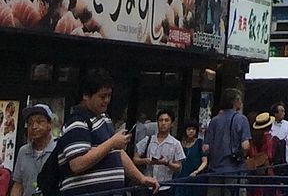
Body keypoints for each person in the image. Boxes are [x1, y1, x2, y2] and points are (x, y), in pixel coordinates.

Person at [60, 68, 160, 196]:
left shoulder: (104, 119)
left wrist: (141, 178)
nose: (106, 100)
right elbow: (77, 164)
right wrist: (111, 143)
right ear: (86, 95)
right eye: (102, 96)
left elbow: (118, 153)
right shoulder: (77, 123)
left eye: (109, 96)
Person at [203, 89, 251, 191]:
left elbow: (205, 148)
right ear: (235, 101)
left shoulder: (214, 121)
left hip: (214, 169)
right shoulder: (242, 119)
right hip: (235, 169)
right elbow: (245, 145)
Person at [10, 104, 56, 196]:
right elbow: (18, 185)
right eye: (30, 123)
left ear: (49, 124)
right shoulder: (23, 152)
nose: (34, 127)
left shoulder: (58, 148)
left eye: (39, 122)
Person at [138, 111, 186, 189]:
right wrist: (146, 161)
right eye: (161, 120)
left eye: (166, 120)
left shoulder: (176, 143)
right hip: (147, 186)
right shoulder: (148, 140)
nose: (163, 123)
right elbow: (135, 159)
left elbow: (179, 167)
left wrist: (167, 163)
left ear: (172, 123)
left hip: (165, 186)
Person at [176, 122, 207, 195]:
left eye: (193, 129)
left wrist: (197, 171)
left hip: (195, 177)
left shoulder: (199, 143)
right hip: (181, 177)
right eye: (189, 129)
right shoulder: (179, 144)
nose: (191, 131)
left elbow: (205, 161)